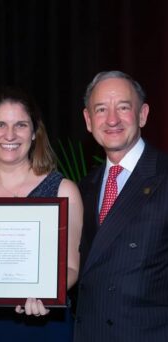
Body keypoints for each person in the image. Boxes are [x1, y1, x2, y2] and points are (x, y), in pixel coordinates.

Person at [0, 86, 83, 341]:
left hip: (43, 324)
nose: (10, 134)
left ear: (34, 132)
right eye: (0, 124)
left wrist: (46, 293)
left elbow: (72, 267)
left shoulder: (63, 191)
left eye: (20, 125)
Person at [74, 71, 168, 341]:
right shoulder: (84, 187)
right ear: (88, 120)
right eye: (101, 109)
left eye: (123, 107)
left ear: (143, 114)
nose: (112, 119)